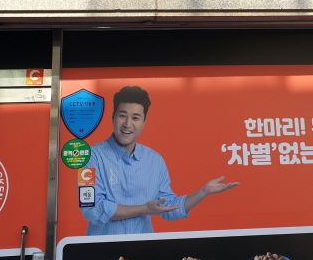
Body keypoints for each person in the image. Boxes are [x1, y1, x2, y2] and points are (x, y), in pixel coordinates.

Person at [80, 86, 239, 235]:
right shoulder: (90, 157)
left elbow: (168, 206)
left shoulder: (154, 160)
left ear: (144, 122)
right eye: (122, 116)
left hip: (144, 249)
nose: (127, 124)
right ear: (113, 117)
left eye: (135, 118)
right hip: (102, 248)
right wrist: (144, 209)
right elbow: (92, 209)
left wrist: (203, 192)